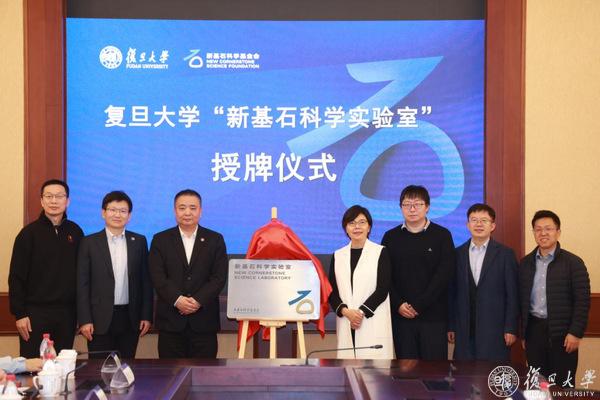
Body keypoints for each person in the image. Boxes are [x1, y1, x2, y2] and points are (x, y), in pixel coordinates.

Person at [8, 179, 84, 358]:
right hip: (34, 315)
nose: (54, 201)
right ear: (42, 201)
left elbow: (82, 275)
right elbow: (16, 277)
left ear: (67, 201)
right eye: (49, 196)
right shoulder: (28, 234)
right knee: (33, 365)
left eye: (59, 196)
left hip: (67, 314)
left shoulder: (76, 232)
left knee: (63, 365)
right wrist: (20, 314)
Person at [149, 189, 228, 358]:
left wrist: (197, 300)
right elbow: (157, 276)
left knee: (204, 371)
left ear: (200, 211)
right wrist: (177, 300)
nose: (187, 212)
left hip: (204, 323)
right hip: (170, 323)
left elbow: (219, 277)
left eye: (193, 208)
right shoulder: (160, 239)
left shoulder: (215, 239)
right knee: (170, 372)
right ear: (174, 211)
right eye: (182, 208)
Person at [77, 191, 154, 359]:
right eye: (112, 210)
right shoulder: (89, 242)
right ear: (103, 213)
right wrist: (84, 319)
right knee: (99, 368)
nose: (117, 215)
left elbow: (146, 282)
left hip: (130, 318)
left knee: (126, 366)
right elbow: (82, 284)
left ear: (129, 215)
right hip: (98, 319)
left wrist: (146, 315)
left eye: (123, 211)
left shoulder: (139, 241)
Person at [381, 185, 455, 360]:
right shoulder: (390, 237)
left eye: (417, 204)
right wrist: (398, 304)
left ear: (427, 207)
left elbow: (444, 275)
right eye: (407, 204)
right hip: (401, 318)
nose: (412, 209)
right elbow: (384, 276)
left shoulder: (442, 235)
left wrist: (419, 304)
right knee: (406, 370)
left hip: (433, 318)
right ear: (401, 207)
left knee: (434, 371)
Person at [520, 210, 590, 386]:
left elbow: (582, 301)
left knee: (562, 386)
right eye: (538, 229)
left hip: (563, 335)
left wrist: (575, 332)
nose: (543, 233)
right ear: (534, 233)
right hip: (534, 332)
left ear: (558, 232)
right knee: (537, 384)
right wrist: (523, 333)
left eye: (548, 229)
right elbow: (521, 301)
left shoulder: (573, 263)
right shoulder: (525, 263)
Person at [447, 203, 519, 362]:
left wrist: (511, 328)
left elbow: (513, 295)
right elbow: (452, 293)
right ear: (467, 225)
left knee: (492, 374)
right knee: (464, 374)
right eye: (474, 220)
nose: (478, 224)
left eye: (484, 220)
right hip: (464, 330)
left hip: (495, 330)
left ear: (492, 226)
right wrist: (451, 325)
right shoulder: (457, 254)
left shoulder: (505, 254)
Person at [328, 205, 393, 359]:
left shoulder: (380, 252)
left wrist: (359, 314)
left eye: (362, 222)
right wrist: (346, 312)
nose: (357, 227)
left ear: (369, 227)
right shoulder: (338, 255)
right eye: (352, 223)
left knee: (375, 370)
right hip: (346, 320)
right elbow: (332, 291)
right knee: (347, 367)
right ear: (346, 228)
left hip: (371, 319)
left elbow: (382, 289)